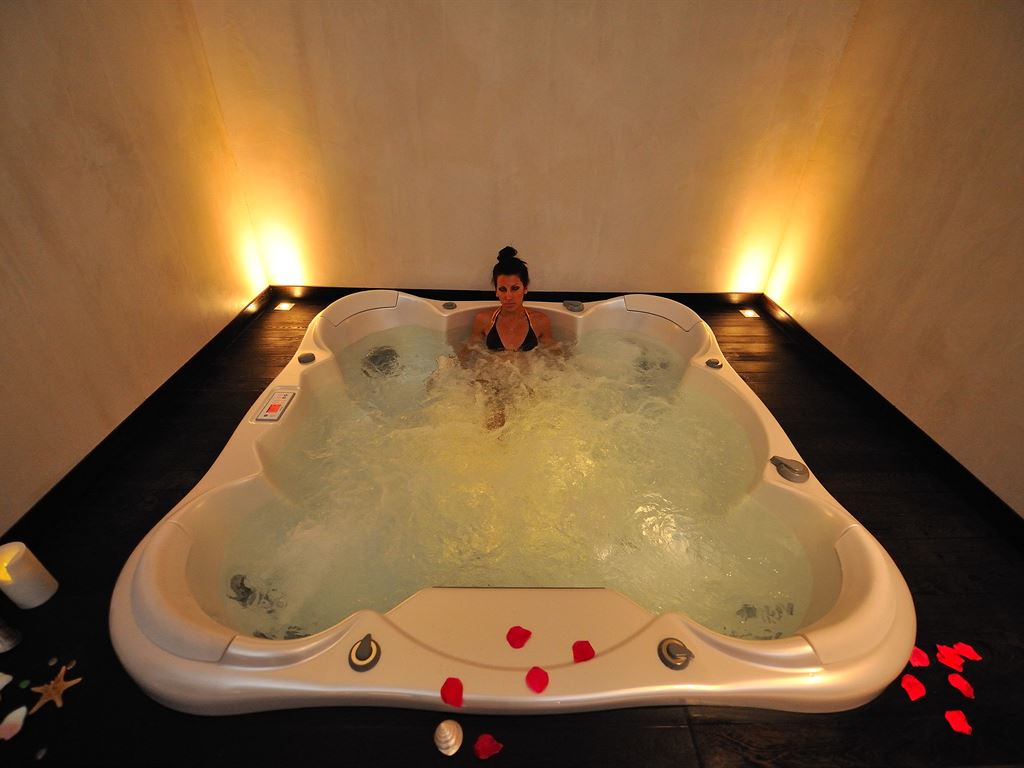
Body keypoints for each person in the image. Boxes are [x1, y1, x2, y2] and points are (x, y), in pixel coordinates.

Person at [468, 246, 553, 352]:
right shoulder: (483, 320)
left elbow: (555, 356)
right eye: (502, 289)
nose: (508, 297)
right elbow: (467, 353)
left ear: (525, 288)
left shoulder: (540, 322)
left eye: (515, 288)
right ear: (496, 291)